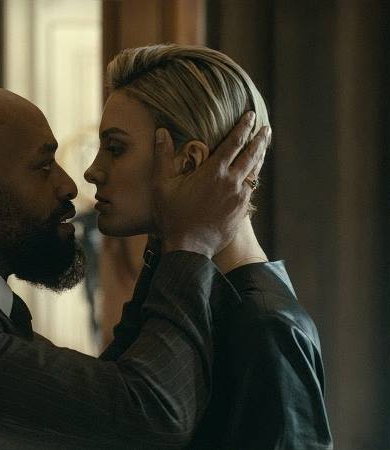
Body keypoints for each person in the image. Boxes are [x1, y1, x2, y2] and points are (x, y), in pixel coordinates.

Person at [0, 85, 269, 448]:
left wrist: (167, 232)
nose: (69, 184)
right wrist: (190, 242)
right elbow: (148, 416)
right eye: (43, 166)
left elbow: (102, 397)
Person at [85, 44, 333, 449]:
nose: (92, 171)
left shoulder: (264, 327)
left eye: (115, 148)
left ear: (189, 161)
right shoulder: (176, 292)